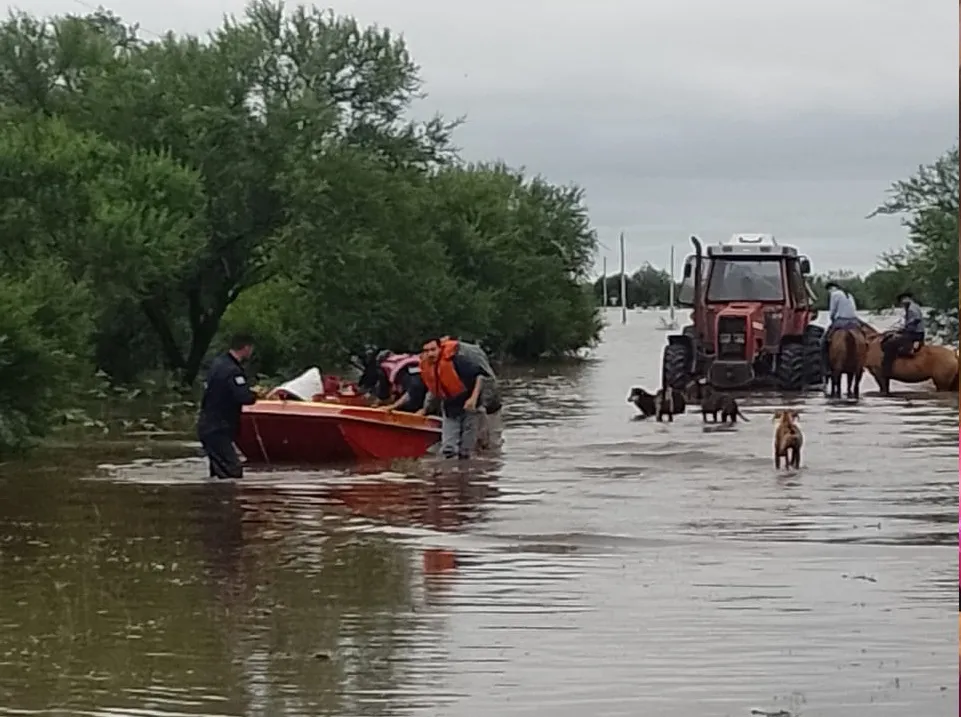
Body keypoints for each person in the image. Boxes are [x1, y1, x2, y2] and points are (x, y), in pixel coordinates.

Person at [197, 333, 258, 479]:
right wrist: (255, 394)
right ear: (246, 348)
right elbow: (243, 397)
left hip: (208, 426)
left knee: (218, 473)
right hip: (218, 428)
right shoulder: (233, 370)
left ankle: (215, 499)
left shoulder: (218, 363)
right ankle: (228, 499)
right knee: (233, 471)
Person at [419, 337, 490, 459]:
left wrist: (473, 399)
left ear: (440, 349)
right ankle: (449, 474)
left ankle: (466, 474)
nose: (430, 354)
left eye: (433, 349)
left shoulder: (457, 360)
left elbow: (480, 375)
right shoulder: (426, 367)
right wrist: (425, 409)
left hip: (470, 406)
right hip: (450, 406)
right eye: (426, 351)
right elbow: (433, 391)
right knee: (448, 448)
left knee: (466, 451)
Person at [879, 290, 925, 395]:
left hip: (913, 334)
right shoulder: (914, 307)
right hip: (916, 332)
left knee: (889, 344)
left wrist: (903, 330)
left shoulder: (912, 308)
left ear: (907, 299)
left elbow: (915, 321)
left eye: (903, 300)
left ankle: (886, 370)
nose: (902, 302)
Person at [820, 281, 862, 385]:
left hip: (841, 321)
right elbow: (854, 309)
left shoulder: (834, 294)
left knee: (823, 341)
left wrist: (832, 319)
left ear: (830, 288)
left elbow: (833, 310)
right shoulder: (849, 294)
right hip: (854, 321)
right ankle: (861, 365)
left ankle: (825, 367)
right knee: (864, 338)